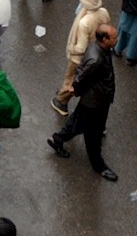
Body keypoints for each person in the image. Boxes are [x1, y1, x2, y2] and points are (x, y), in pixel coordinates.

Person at [47, 23, 120, 180]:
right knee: (93, 134)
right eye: (114, 37)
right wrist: (75, 89)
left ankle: (58, 139)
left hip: (94, 98)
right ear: (105, 39)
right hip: (95, 101)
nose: (117, 39)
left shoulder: (100, 49)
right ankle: (98, 165)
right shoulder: (96, 59)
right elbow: (81, 77)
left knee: (78, 121)